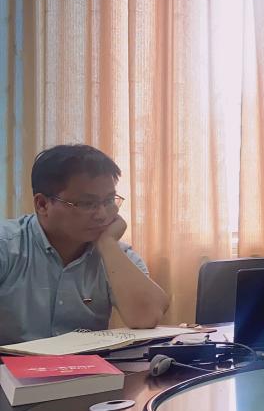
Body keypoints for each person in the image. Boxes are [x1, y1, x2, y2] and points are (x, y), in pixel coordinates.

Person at [0, 145, 168, 345]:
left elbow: (147, 317)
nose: (102, 215)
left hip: (88, 365)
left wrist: (108, 244)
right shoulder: (7, 246)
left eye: (109, 201)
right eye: (87, 204)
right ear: (42, 204)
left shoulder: (116, 254)